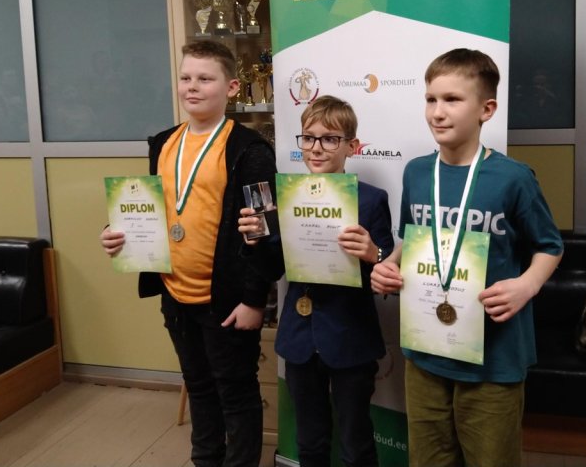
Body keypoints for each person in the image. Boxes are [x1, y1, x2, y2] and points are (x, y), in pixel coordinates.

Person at [370, 49, 563, 467]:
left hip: (492, 361)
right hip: (426, 356)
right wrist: (390, 264)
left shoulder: (513, 178)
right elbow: (410, 241)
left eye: (452, 100)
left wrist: (527, 285)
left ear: (486, 109)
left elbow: (550, 246)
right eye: (430, 99)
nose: (437, 112)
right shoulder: (417, 172)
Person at [100, 40, 283, 467]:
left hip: (227, 301)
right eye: (186, 78)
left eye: (205, 78)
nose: (192, 87)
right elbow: (156, 209)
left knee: (236, 392)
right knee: (198, 387)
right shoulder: (164, 143)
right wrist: (117, 231)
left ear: (232, 87)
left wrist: (254, 299)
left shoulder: (250, 150)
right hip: (175, 293)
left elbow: (265, 230)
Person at [240, 95, 394, 467]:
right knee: (309, 442)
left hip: (350, 336)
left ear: (352, 146)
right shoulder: (283, 197)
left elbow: (387, 273)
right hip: (300, 338)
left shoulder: (371, 200)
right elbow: (272, 268)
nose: (317, 148)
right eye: (308, 138)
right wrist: (254, 241)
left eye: (330, 139)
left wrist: (373, 253)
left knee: (356, 443)